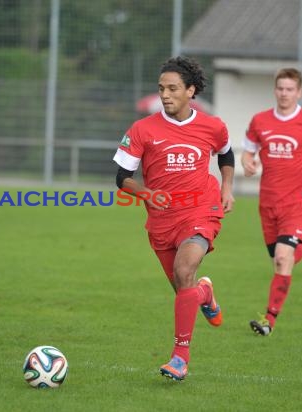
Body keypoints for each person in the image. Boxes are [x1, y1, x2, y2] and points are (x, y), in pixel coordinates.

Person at [113, 56, 235, 381]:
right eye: (161, 89)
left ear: (190, 90)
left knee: (184, 270)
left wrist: (227, 188)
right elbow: (122, 176)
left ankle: (180, 358)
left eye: (172, 88)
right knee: (184, 286)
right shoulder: (142, 129)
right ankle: (205, 293)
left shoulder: (213, 126)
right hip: (162, 220)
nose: (165, 95)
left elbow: (225, 152)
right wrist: (146, 194)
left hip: (201, 209)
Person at [242, 68, 302, 336]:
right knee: (278, 257)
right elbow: (247, 152)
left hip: (299, 203)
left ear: (299, 92)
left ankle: (268, 320)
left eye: (290, 89)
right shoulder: (259, 121)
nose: (284, 93)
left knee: (284, 258)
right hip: (269, 203)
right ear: (275, 90)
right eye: (280, 88)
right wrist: (248, 164)